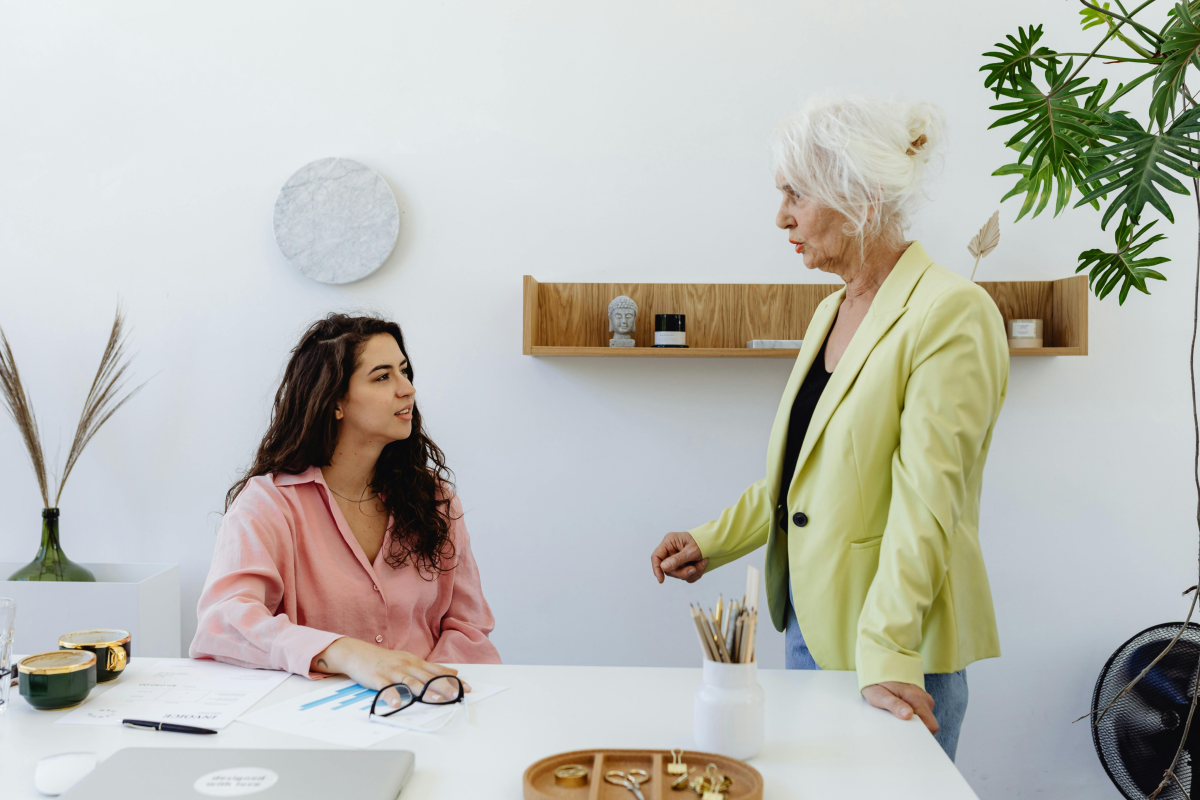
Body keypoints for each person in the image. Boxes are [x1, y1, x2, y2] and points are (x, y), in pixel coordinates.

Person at [649, 96, 1008, 760]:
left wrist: (890, 648)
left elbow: (929, 503)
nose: (781, 215)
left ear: (859, 199)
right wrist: (712, 541)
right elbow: (806, 474)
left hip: (893, 650)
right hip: (813, 626)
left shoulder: (952, 312)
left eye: (796, 194)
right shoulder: (832, 311)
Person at [191, 313, 500, 698]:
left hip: (430, 708)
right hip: (312, 718)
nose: (407, 389)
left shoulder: (436, 500)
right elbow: (224, 621)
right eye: (383, 376)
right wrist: (346, 653)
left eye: (405, 372)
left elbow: (468, 628)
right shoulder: (268, 505)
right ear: (335, 401)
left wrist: (423, 686)